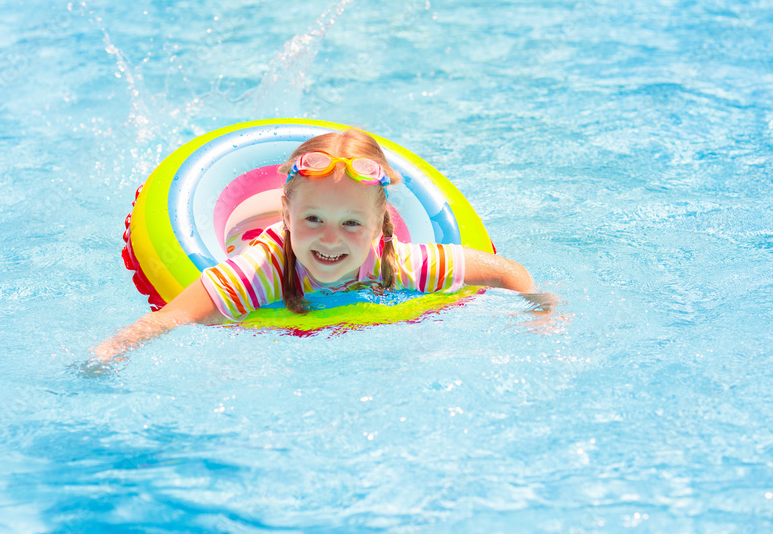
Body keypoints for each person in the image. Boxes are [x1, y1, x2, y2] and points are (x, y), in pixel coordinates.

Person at [93, 129, 555, 363]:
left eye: (352, 223)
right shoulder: (259, 273)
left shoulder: (397, 262)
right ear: (288, 214)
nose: (330, 239)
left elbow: (505, 271)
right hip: (251, 234)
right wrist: (108, 354)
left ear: (381, 224)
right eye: (313, 219)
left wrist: (541, 312)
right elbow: (173, 317)